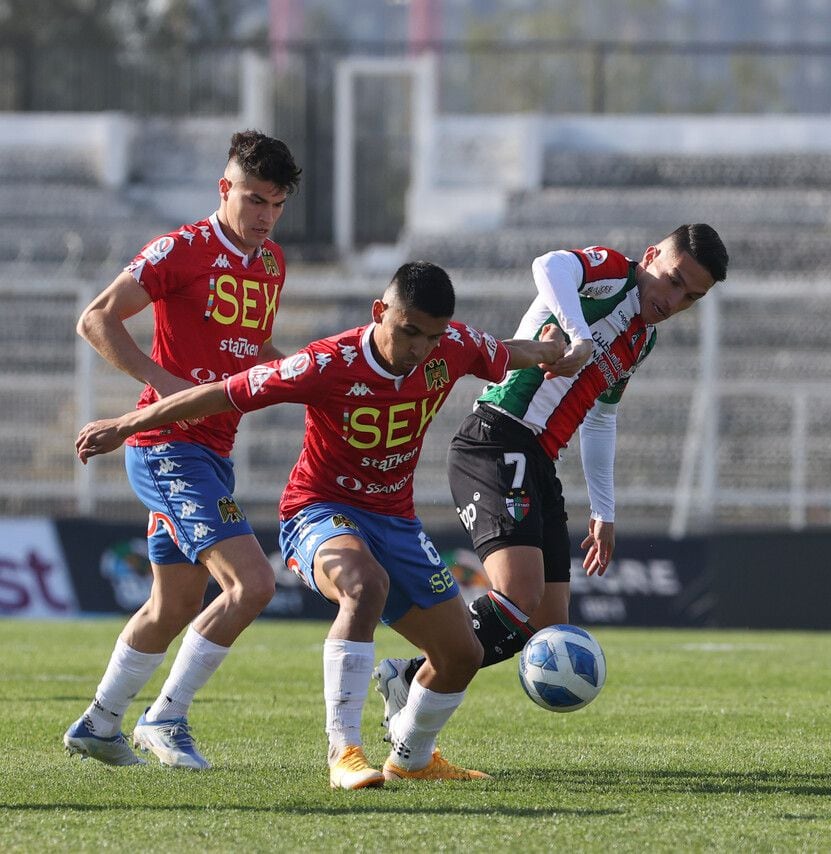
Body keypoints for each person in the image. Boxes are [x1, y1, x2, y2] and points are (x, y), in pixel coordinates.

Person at [75, 261, 565, 789]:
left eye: (432, 335)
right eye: (409, 331)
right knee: (364, 585)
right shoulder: (328, 362)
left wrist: (552, 350)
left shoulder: (453, 347)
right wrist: (125, 424)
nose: (421, 347)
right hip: (317, 511)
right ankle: (345, 751)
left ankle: (413, 756)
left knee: (461, 653)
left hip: (395, 519)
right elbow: (225, 391)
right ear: (380, 313)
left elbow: (509, 352)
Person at [372, 224, 729, 722]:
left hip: (539, 459)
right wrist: (579, 336)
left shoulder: (641, 341)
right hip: (497, 438)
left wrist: (604, 510)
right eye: (673, 281)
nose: (674, 301)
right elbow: (548, 264)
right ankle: (413, 730)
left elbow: (602, 417)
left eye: (691, 297)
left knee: (545, 625)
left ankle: (408, 676)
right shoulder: (611, 276)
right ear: (650, 256)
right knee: (519, 596)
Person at [63, 130, 301, 770]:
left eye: (277, 205)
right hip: (168, 442)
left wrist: (309, 376)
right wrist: (161, 384)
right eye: (255, 200)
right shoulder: (183, 248)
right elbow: (97, 318)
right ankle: (165, 717)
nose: (266, 217)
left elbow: (250, 350)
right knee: (252, 584)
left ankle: (99, 722)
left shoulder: (270, 264)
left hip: (213, 449)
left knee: (171, 604)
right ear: (225, 189)